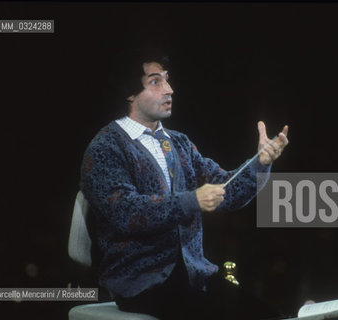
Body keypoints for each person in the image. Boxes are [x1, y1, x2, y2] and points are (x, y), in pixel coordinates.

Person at [79, 50, 289, 319]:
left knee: (269, 315)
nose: (170, 89)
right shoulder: (105, 147)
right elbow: (126, 212)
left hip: (193, 276)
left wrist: (260, 162)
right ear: (130, 93)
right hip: (141, 282)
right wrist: (193, 200)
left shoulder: (178, 143)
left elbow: (230, 190)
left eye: (168, 80)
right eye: (156, 82)